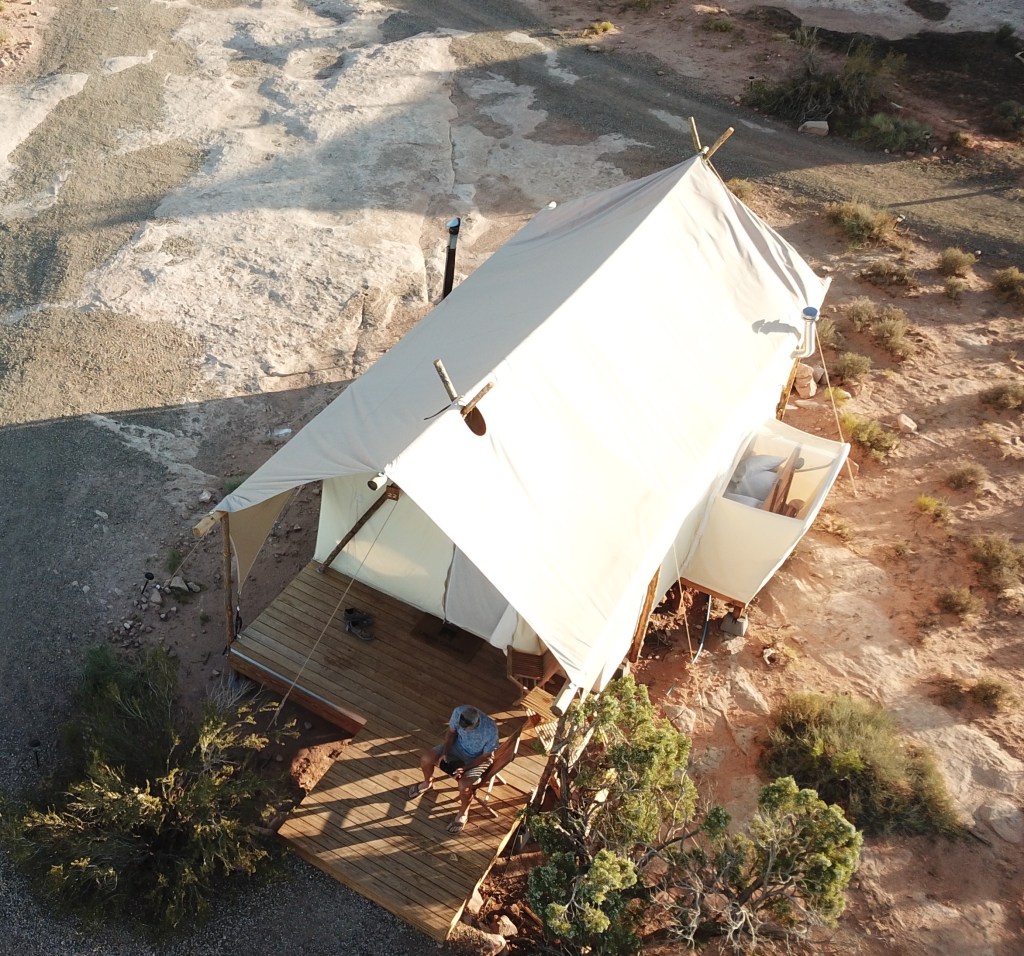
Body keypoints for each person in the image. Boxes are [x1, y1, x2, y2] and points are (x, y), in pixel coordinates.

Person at [408, 704, 500, 834]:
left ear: (476, 723)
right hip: (457, 746)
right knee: (426, 759)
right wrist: (445, 752)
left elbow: (486, 757)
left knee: (464, 786)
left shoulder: (491, 731)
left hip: (478, 758)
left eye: (468, 729)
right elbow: (451, 733)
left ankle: (463, 812)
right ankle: (428, 782)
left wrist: (465, 768)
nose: (465, 730)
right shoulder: (459, 711)